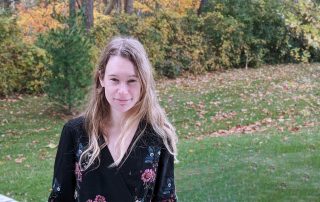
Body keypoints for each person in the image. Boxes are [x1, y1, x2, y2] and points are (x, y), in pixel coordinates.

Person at [48, 36, 178, 202]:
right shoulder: (75, 132)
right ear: (102, 78)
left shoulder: (159, 136)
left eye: (132, 81)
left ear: (143, 83)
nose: (122, 91)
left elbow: (166, 198)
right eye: (114, 80)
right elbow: (60, 197)